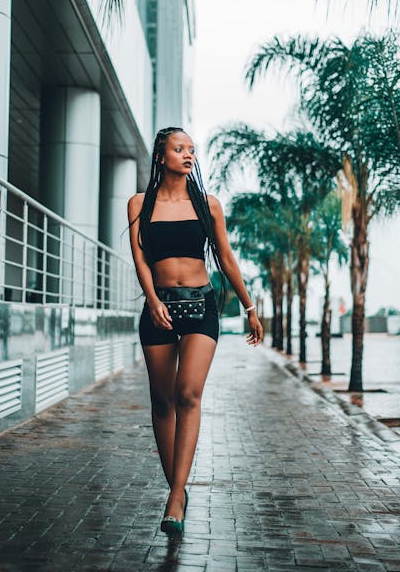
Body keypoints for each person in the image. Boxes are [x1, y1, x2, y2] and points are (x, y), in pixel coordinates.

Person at [127, 126, 263, 535]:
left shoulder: (208, 204)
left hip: (202, 305)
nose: (188, 154)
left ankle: (175, 495)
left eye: (192, 149)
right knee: (162, 398)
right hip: (159, 308)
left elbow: (226, 257)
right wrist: (151, 300)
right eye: (179, 148)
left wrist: (250, 306)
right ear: (160, 157)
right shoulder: (139, 203)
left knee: (188, 392)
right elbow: (139, 257)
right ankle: (178, 491)